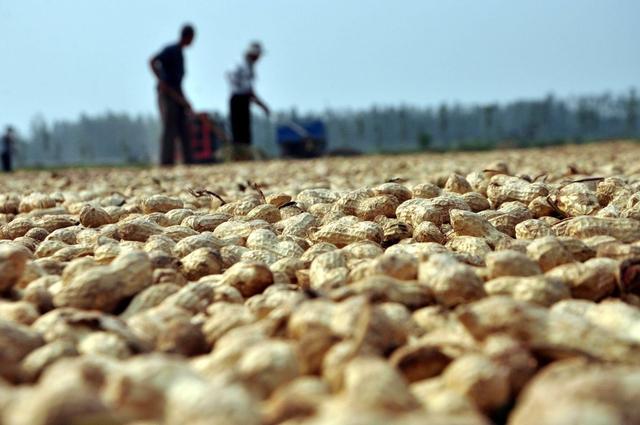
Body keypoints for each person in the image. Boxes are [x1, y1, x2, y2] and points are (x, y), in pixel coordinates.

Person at [150, 24, 195, 165]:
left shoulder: (180, 54)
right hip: (167, 93)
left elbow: (178, 82)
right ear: (188, 37)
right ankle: (166, 162)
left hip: (177, 93)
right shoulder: (171, 50)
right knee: (170, 127)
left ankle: (189, 161)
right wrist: (160, 80)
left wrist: (185, 100)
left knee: (183, 126)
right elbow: (152, 61)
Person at [227, 42, 270, 159]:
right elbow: (243, 87)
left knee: (245, 129)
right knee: (238, 129)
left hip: (244, 99)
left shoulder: (250, 66)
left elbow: (249, 90)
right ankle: (239, 155)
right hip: (237, 99)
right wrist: (261, 104)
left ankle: (245, 155)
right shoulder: (241, 65)